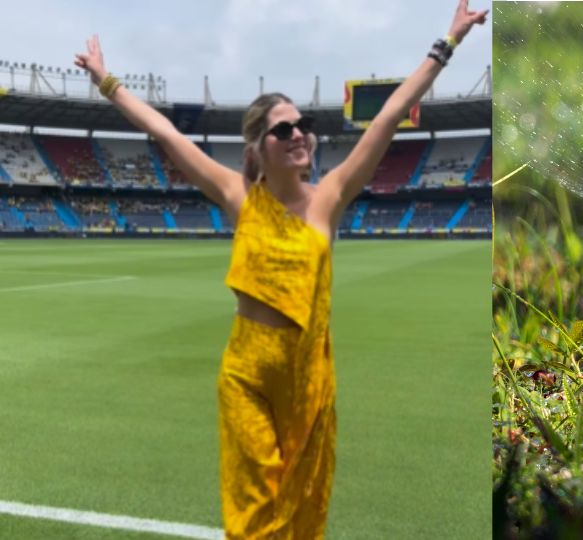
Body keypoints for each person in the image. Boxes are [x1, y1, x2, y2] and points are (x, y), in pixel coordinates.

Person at [72, 2, 487, 537]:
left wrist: (446, 45)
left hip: (309, 379)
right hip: (247, 374)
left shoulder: (329, 199)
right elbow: (168, 136)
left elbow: (386, 119)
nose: (298, 134)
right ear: (258, 148)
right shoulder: (238, 196)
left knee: (302, 514)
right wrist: (107, 82)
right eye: (283, 128)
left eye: (303, 125)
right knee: (252, 519)